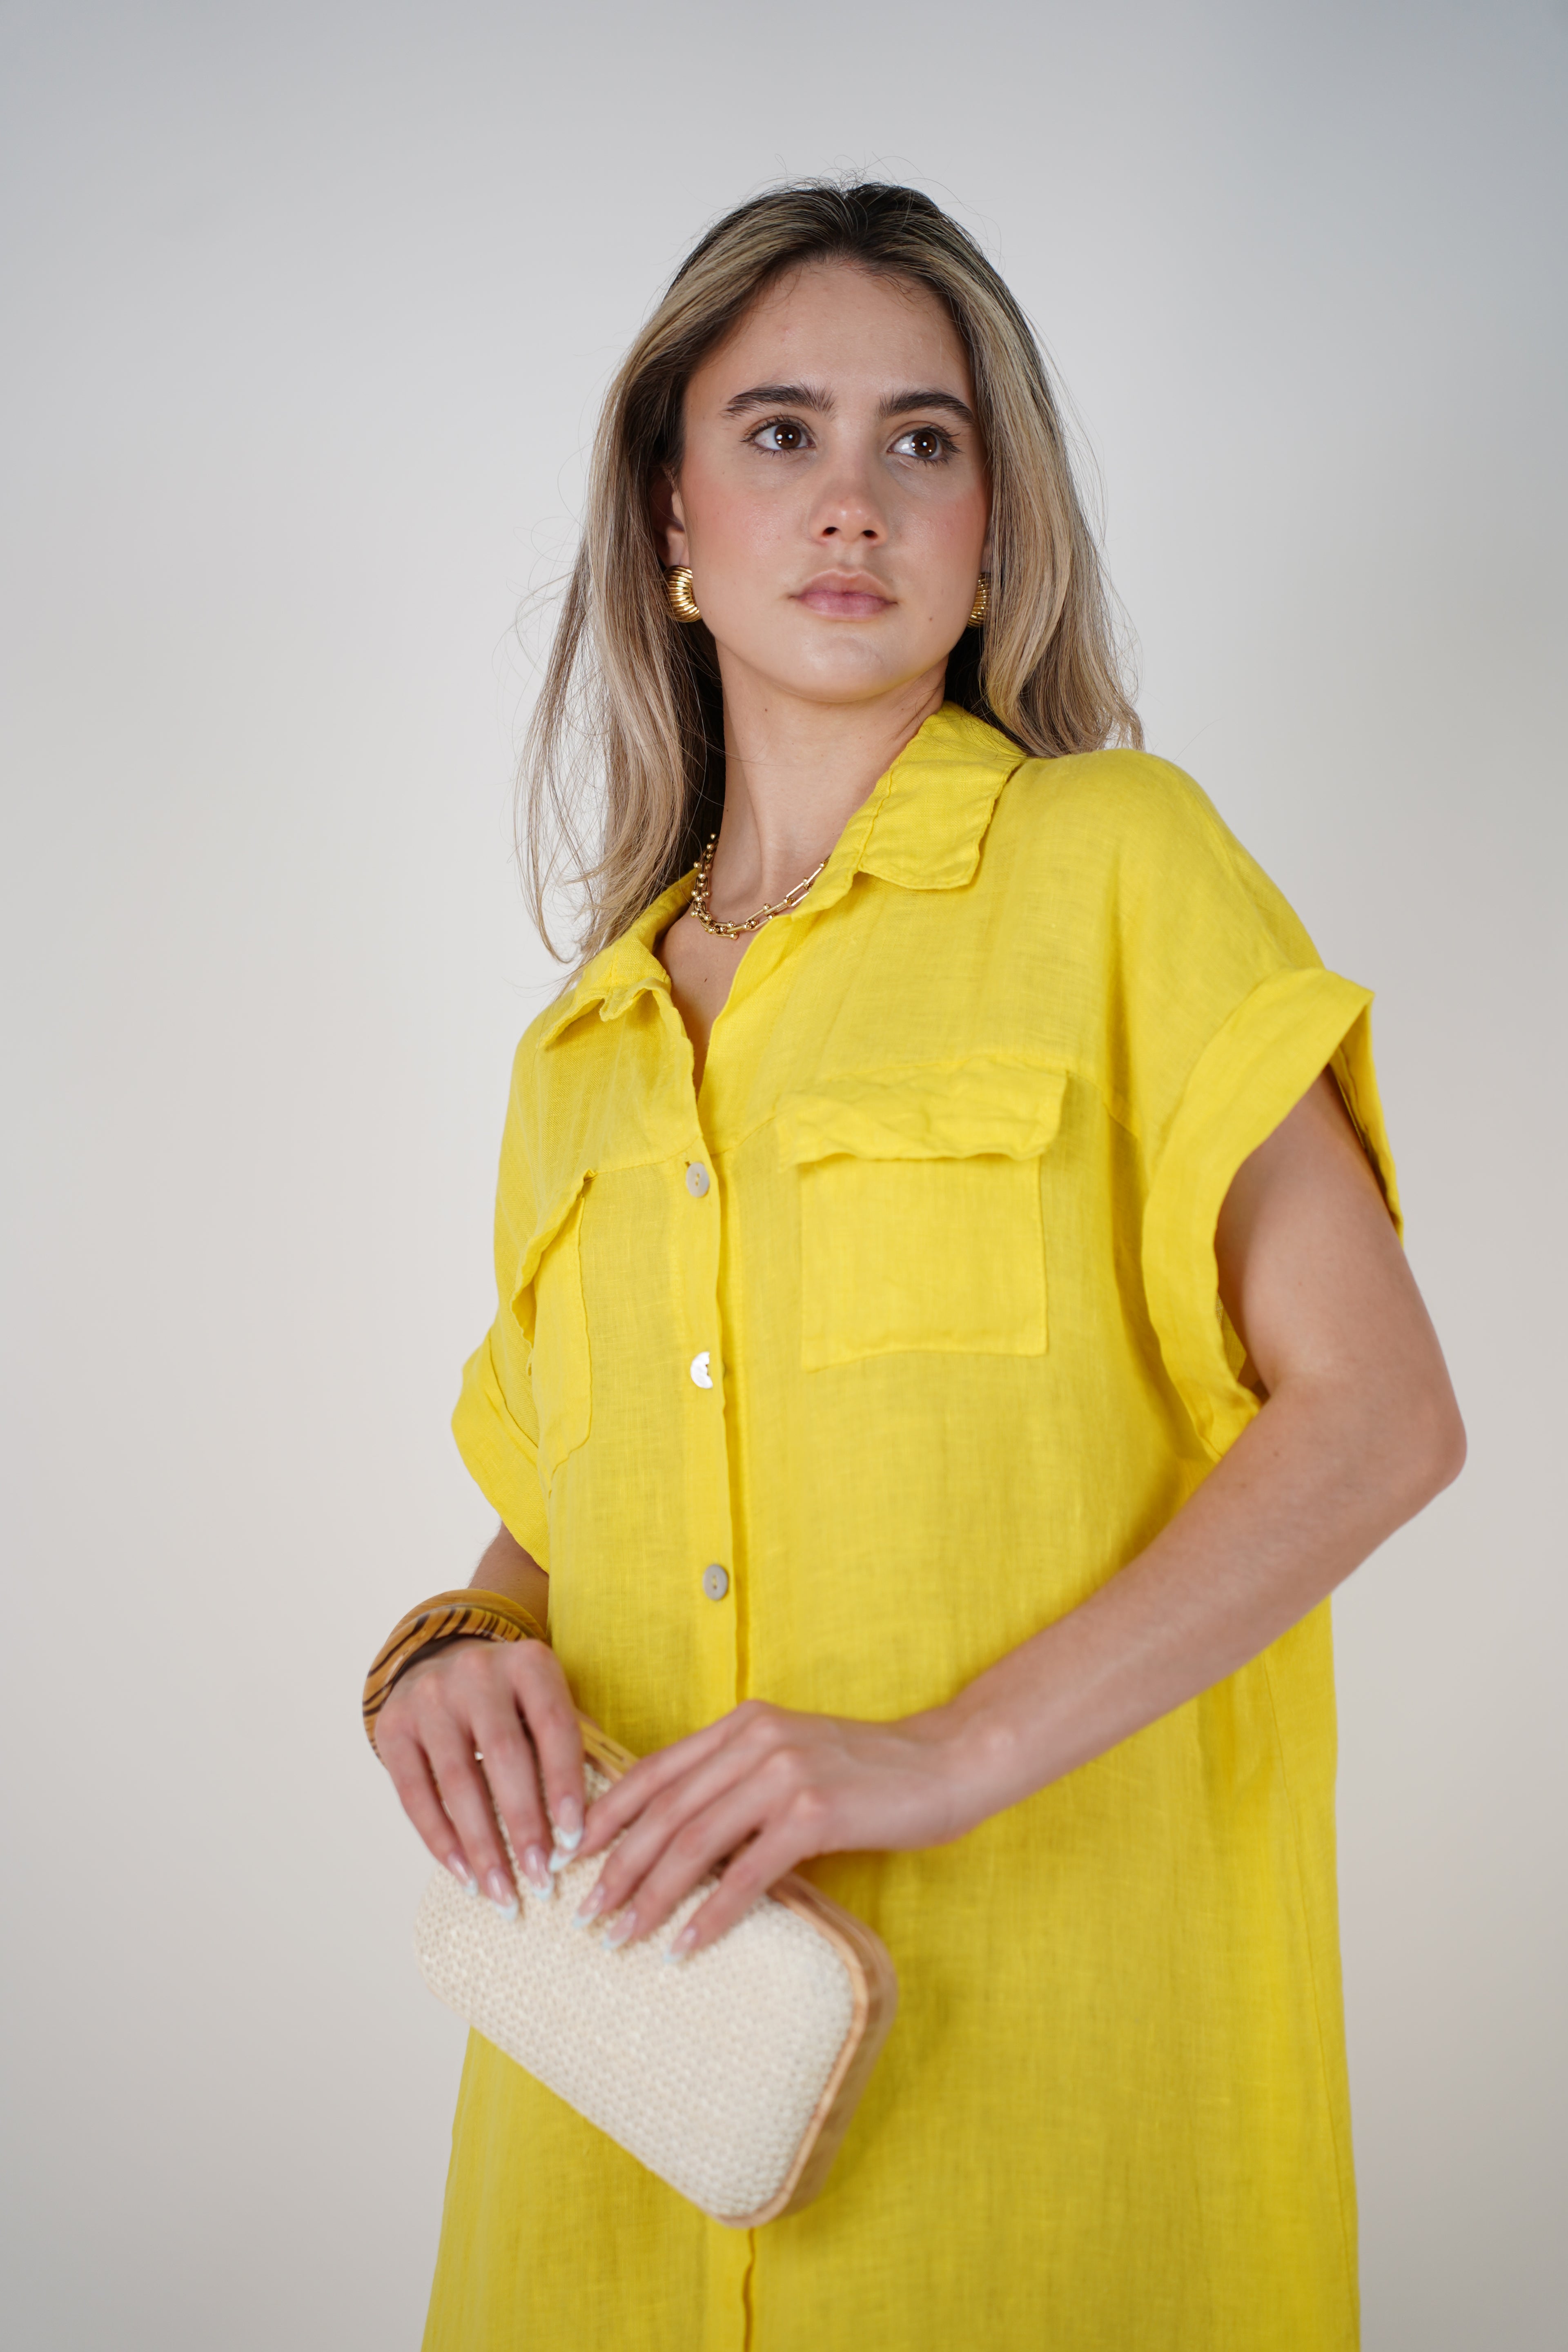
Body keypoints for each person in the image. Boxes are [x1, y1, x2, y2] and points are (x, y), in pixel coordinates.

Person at [366, 181, 1464, 2352]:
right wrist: (449, 1652)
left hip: (1048, 2117)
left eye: (923, 441)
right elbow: (564, 1527)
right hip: (620, 2119)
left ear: (992, 527)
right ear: (670, 518)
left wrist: (943, 1754)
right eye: (779, 433)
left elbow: (1382, 1413)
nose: (852, 498)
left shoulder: (1121, 866)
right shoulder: (580, 1046)